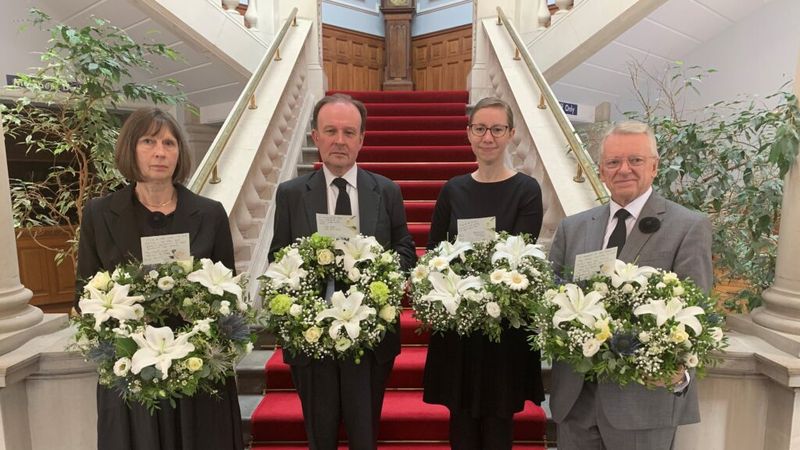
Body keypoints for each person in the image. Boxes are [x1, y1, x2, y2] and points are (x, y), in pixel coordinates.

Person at [75, 107, 243, 450]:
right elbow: (85, 293)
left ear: (179, 152)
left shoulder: (210, 214)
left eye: (169, 143)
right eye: (148, 141)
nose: (160, 152)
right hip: (132, 371)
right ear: (130, 149)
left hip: (196, 372)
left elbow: (228, 293)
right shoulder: (99, 214)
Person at [548, 120, 713, 450]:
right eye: (613, 162)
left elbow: (696, 313)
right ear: (602, 170)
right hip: (576, 405)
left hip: (644, 406)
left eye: (635, 160)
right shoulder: (573, 228)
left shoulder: (688, 227)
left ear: (655, 166)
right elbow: (551, 302)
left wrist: (680, 372)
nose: (624, 169)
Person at [268, 93, 416, 449]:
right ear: (315, 136)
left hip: (370, 338)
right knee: (320, 437)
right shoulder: (291, 194)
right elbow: (278, 255)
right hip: (311, 337)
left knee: (365, 435)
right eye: (330, 130)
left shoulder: (386, 190)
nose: (339, 140)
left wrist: (380, 273)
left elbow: (405, 249)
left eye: (349, 132)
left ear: (362, 139)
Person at [422, 97, 545, 449]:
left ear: (510, 134)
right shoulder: (453, 189)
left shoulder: (526, 190)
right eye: (480, 128)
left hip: (501, 329)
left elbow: (522, 254)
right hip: (459, 329)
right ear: (469, 134)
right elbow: (434, 252)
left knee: (497, 428)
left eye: (496, 129)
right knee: (460, 426)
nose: (487, 137)